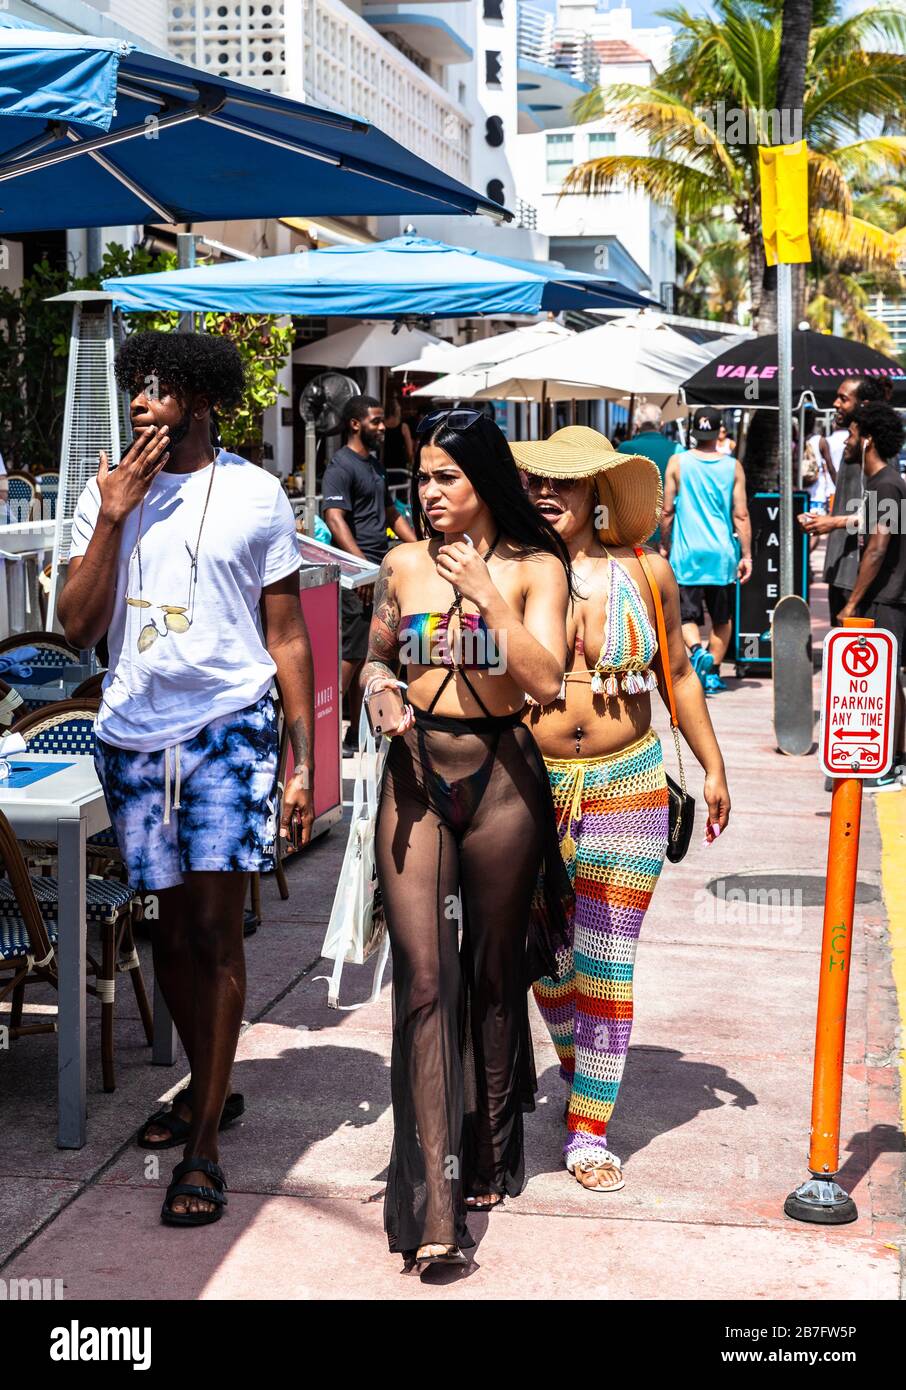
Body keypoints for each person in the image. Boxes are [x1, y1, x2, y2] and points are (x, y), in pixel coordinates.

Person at [58, 331, 316, 1227]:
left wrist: (303, 761)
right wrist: (110, 515)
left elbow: (284, 634)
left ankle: (204, 1143)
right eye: (135, 386)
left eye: (158, 389)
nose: (140, 403)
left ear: (202, 401)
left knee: (214, 928)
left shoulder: (255, 494)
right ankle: (212, 1083)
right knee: (166, 929)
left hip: (227, 729)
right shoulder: (111, 494)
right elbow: (78, 628)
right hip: (132, 737)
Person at [360, 409, 575, 1269]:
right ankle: (436, 1207)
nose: (430, 492)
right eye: (422, 477)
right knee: (423, 979)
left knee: (491, 970)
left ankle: (485, 1148)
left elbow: (547, 678)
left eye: (447, 476)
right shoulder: (401, 564)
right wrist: (379, 685)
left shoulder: (536, 569)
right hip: (416, 773)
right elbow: (375, 654)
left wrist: (489, 596)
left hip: (505, 782)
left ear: (484, 480)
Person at [515, 425, 731, 1192]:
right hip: (530, 784)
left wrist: (712, 765)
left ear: (597, 493)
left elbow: (677, 669)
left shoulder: (646, 570)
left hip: (628, 782)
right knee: (546, 960)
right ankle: (583, 1068)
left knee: (606, 960)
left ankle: (589, 1129)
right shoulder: (509, 571)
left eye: (565, 483)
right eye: (537, 479)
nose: (549, 493)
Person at [321, 396, 416, 756]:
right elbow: (334, 519)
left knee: (379, 655)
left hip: (382, 569)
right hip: (359, 576)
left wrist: (423, 546)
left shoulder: (374, 464)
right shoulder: (340, 466)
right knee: (352, 655)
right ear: (355, 424)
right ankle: (328, 736)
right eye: (375, 421)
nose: (382, 427)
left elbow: (391, 513)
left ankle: (357, 734)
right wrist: (364, 571)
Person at [835, 401, 906, 786]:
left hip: (888, 598)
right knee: (891, 682)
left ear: (868, 440)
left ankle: (893, 763)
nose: (847, 440)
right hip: (887, 596)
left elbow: (879, 547)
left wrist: (853, 602)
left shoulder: (887, 484)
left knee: (890, 682)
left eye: (852, 433)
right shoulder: (884, 483)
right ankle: (896, 759)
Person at [659, 407, 752, 694]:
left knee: (685, 615)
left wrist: (665, 543)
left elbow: (667, 511)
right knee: (721, 618)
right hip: (722, 555)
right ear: (719, 431)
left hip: (687, 554)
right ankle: (712, 673)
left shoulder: (677, 462)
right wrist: (747, 554)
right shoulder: (732, 466)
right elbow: (741, 515)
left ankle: (697, 652)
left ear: (693, 431)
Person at [797, 377, 888, 625]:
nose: (836, 404)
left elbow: (883, 516)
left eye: (844, 399)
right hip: (842, 570)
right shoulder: (853, 444)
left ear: (864, 404)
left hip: (859, 576)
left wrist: (832, 523)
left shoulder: (873, 450)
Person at [618, 403, 679, 544]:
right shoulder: (677, 450)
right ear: (662, 424)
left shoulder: (625, 448)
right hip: (670, 531)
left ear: (637, 424)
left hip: (634, 529)